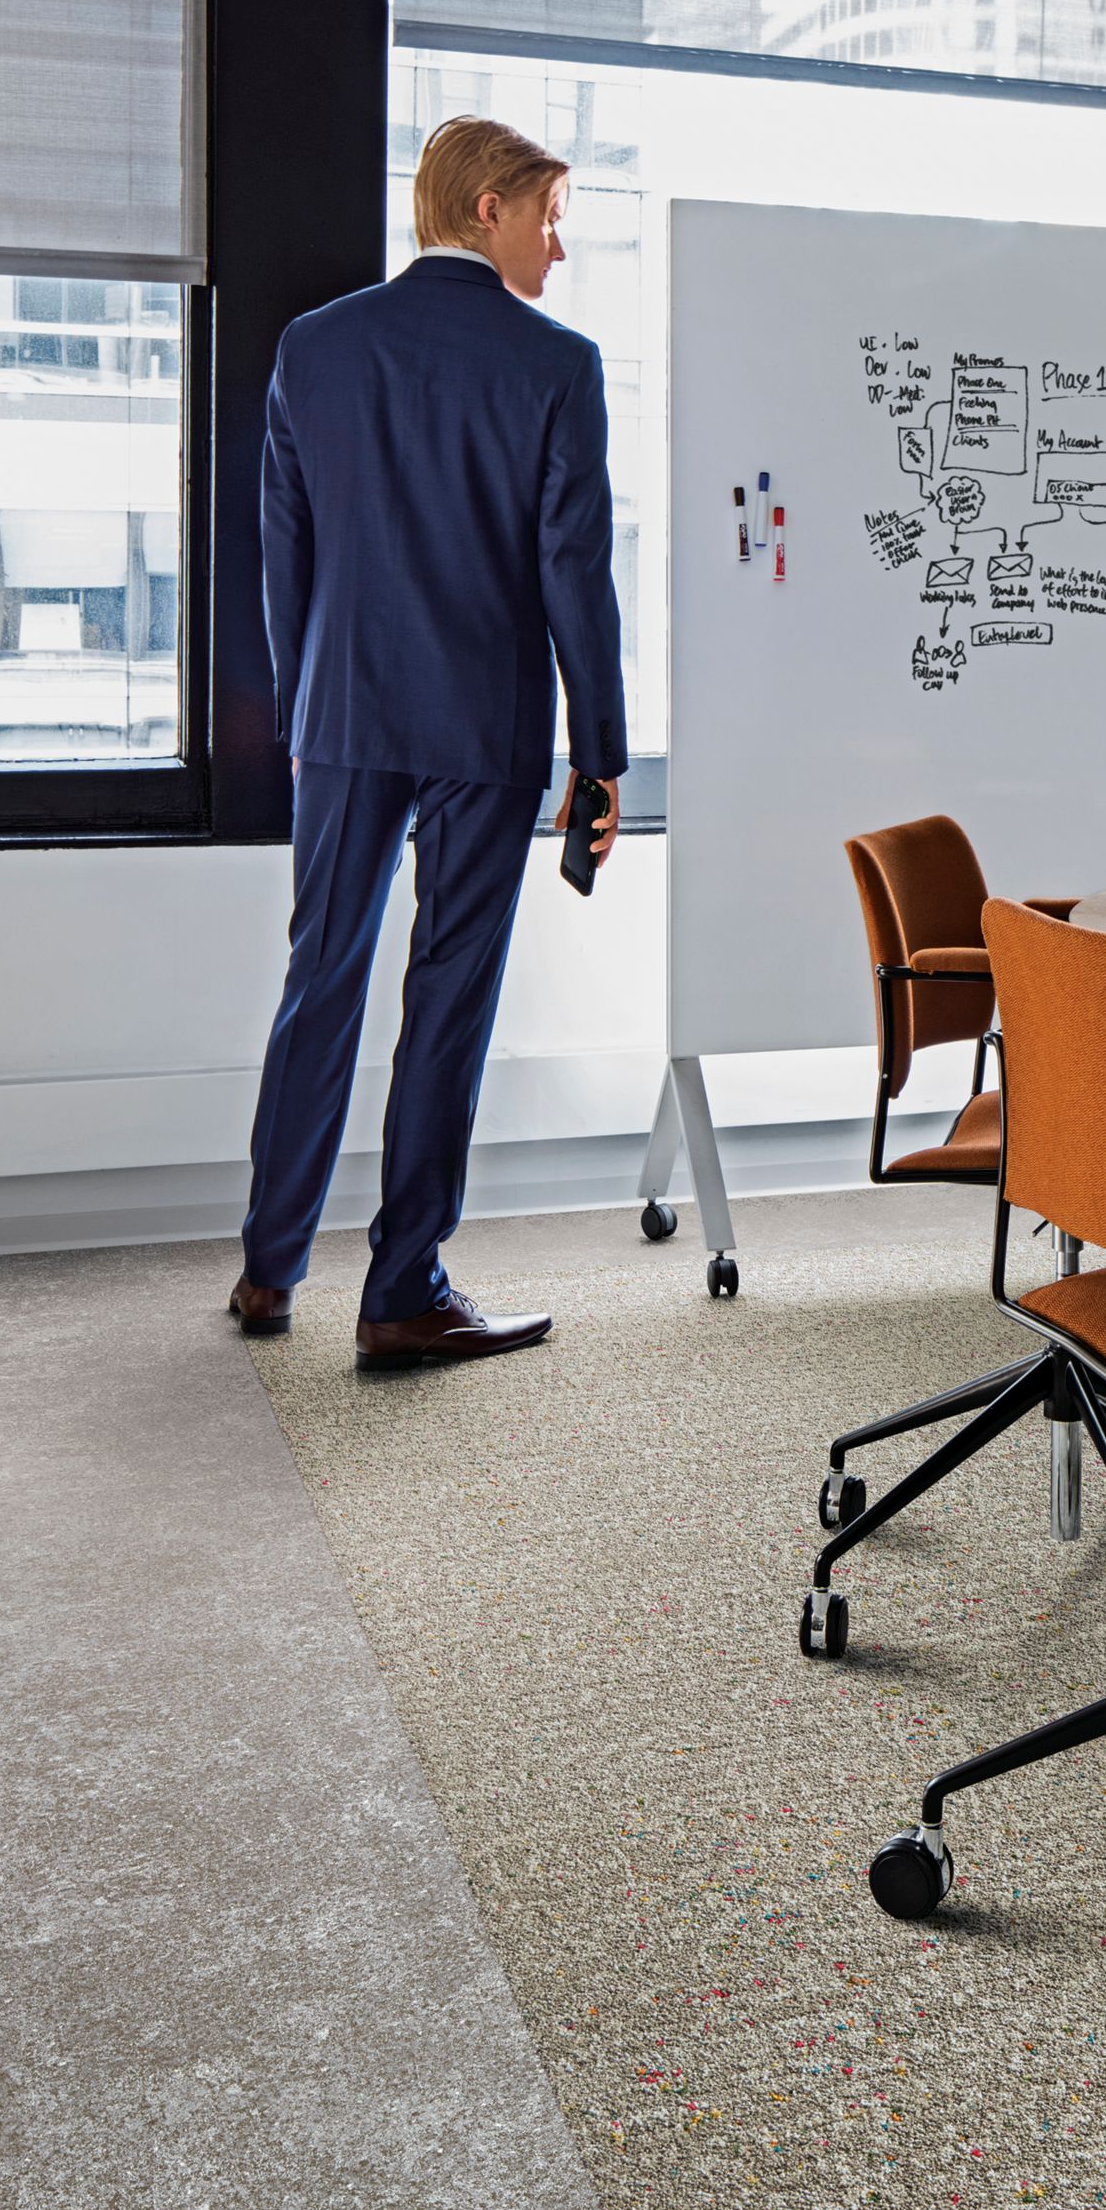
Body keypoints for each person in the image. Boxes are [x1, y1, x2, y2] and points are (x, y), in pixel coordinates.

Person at [228, 115, 628, 1364]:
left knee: (320, 984)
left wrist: (302, 714)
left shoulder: (315, 346)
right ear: (486, 208)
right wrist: (598, 750)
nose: (561, 247)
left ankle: (267, 1269)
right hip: (482, 726)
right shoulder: (557, 364)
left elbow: (281, 553)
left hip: (341, 719)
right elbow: (575, 573)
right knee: (445, 1000)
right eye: (551, 216)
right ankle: (404, 1287)